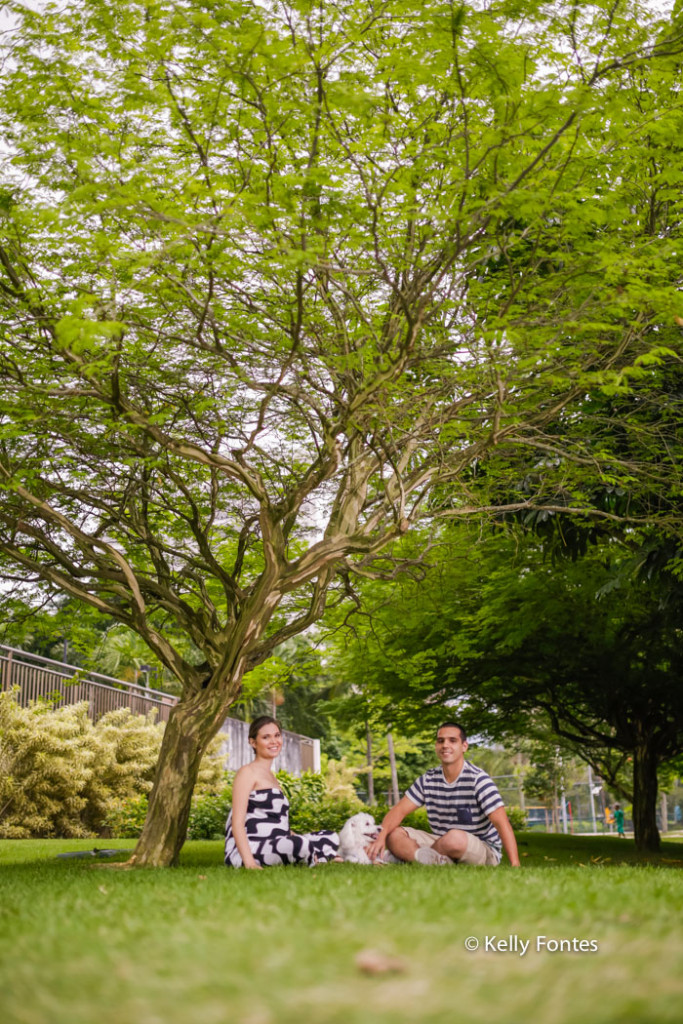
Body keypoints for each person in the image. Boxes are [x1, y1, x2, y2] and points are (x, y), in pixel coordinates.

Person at [366, 722, 521, 867]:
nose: (445, 745)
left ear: (464, 746)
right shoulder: (428, 779)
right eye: (441, 741)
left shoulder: (479, 780)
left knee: (454, 838)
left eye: (452, 740)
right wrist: (381, 837)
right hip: (441, 842)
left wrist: (515, 865)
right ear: (436, 746)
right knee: (393, 833)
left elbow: (502, 824)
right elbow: (398, 811)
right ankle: (435, 861)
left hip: (482, 849)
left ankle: (412, 857)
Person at [224, 716, 340, 869]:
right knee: (300, 844)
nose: (274, 741)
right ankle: (315, 856)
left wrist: (294, 836)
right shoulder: (247, 772)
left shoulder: (272, 776)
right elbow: (237, 823)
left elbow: (278, 822)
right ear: (253, 742)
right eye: (266, 737)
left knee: (330, 837)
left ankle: (313, 854)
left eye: (277, 735)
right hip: (252, 847)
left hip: (277, 841)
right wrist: (250, 863)